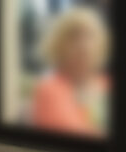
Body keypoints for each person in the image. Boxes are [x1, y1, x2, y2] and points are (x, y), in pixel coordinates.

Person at [30, 7, 110, 137]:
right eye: (74, 36)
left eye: (90, 36)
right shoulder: (49, 91)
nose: (83, 45)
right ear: (59, 45)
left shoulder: (111, 86)